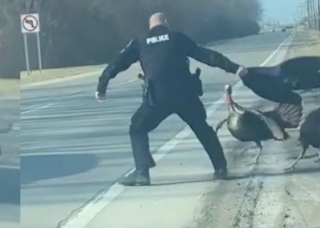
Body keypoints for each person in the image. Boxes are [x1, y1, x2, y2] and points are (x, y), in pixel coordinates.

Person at [95, 12, 248, 186]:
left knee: (137, 128)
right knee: (203, 129)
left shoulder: (140, 42)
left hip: (157, 98)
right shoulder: (177, 38)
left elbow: (118, 63)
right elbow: (206, 56)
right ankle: (220, 168)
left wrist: (102, 85)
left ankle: (142, 172)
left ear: (150, 25)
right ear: (166, 24)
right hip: (185, 96)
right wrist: (235, 68)